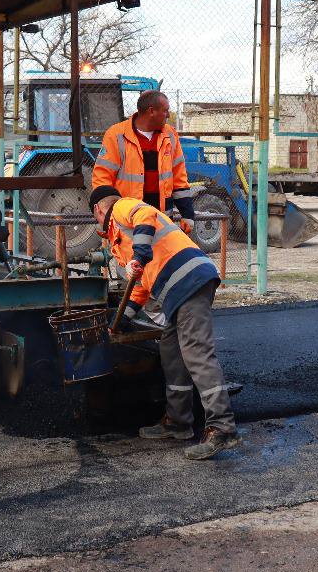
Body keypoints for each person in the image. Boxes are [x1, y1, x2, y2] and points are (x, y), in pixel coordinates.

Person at [89, 185, 238, 460]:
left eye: (95, 217)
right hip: (181, 291)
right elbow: (140, 287)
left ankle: (222, 428)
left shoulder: (122, 209)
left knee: (197, 354)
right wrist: (119, 321)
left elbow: (145, 215)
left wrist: (140, 255)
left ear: (99, 210)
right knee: (171, 350)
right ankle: (178, 422)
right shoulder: (120, 240)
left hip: (191, 280)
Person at [92, 91, 195, 234]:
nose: (168, 115)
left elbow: (179, 177)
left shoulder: (170, 135)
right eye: (165, 111)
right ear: (151, 111)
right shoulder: (116, 135)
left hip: (162, 220)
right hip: (128, 222)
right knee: (132, 257)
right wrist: (106, 217)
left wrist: (188, 214)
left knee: (162, 256)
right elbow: (102, 179)